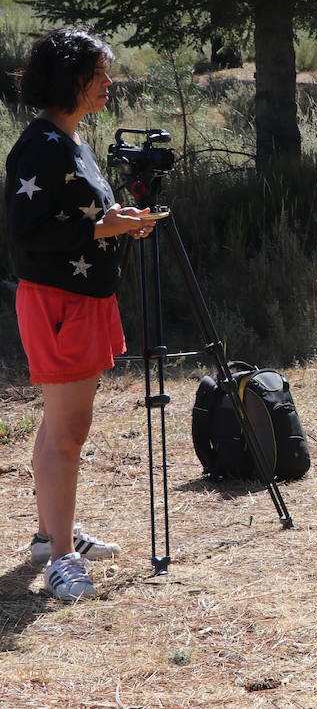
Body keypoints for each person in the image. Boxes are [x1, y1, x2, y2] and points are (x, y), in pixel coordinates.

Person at [5, 29, 158, 601]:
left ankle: (52, 535)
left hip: (81, 298)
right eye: (99, 72)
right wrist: (103, 227)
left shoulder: (69, 139)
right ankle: (62, 560)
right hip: (58, 301)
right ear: (71, 78)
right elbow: (26, 234)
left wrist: (116, 216)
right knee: (69, 431)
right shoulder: (41, 144)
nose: (108, 82)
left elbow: (74, 211)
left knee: (60, 425)